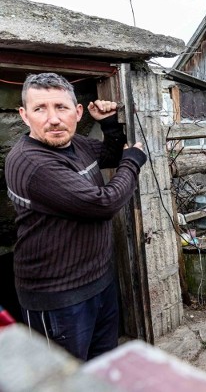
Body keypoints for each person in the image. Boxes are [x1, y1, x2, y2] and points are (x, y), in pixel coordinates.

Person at [4, 73, 147, 360]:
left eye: (61, 107)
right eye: (40, 109)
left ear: (78, 112)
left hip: (98, 281)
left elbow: (108, 154)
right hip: (57, 296)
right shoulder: (32, 162)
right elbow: (103, 203)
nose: (53, 119)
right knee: (61, 379)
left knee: (102, 363)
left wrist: (108, 123)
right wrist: (133, 162)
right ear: (24, 115)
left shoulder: (76, 144)